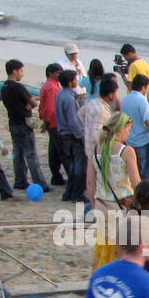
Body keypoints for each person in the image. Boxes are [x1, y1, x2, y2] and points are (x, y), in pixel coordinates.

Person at [1, 60, 48, 194]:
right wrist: (28, 105)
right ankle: (40, 183)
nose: (22, 74)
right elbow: (33, 103)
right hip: (23, 122)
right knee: (31, 154)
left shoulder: (4, 87)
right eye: (21, 71)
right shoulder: (18, 87)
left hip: (13, 122)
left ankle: (20, 180)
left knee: (18, 153)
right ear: (14, 71)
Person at [83, 75, 122, 204]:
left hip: (89, 146)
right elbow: (97, 134)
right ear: (110, 94)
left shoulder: (92, 102)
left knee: (93, 179)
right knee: (95, 180)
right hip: (96, 150)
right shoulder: (101, 110)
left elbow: (80, 115)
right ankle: (94, 206)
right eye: (115, 93)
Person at [92, 112, 140, 214]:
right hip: (121, 203)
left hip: (100, 203)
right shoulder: (126, 151)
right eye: (128, 129)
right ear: (121, 129)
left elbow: (90, 181)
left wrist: (93, 204)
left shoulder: (96, 149)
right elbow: (136, 183)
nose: (128, 133)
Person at [54, 70, 88, 203]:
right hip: (72, 136)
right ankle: (77, 194)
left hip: (64, 134)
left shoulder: (60, 95)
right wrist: (81, 136)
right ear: (70, 82)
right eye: (75, 79)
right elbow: (74, 121)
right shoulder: (69, 99)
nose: (77, 81)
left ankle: (68, 193)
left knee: (74, 165)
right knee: (78, 166)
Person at [119, 73, 149, 184]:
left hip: (129, 141)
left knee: (133, 173)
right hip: (143, 141)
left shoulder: (125, 100)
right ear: (143, 87)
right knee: (147, 175)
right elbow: (148, 122)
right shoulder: (142, 100)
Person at [40, 63, 67, 186]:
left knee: (54, 151)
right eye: (58, 73)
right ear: (51, 73)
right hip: (55, 122)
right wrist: (46, 121)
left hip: (53, 122)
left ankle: (56, 176)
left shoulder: (52, 85)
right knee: (61, 151)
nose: (60, 75)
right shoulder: (52, 87)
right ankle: (61, 176)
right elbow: (49, 108)